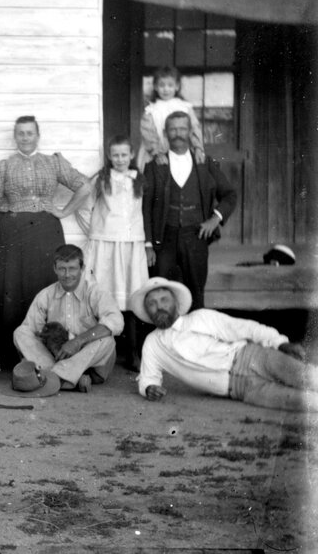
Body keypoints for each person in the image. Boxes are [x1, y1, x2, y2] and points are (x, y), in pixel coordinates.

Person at [0, 116, 87, 370]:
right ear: (15, 137)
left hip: (46, 232)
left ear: (38, 135)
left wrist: (63, 211)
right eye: (21, 133)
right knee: (12, 287)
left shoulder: (53, 163)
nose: (25, 138)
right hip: (13, 233)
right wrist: (8, 209)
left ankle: (49, 351)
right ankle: (10, 356)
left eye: (30, 133)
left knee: (45, 285)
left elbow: (84, 188)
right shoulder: (3, 167)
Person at [130, 278, 316, 411]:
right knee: (303, 402)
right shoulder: (153, 344)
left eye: (164, 300)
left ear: (176, 304)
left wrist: (280, 343)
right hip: (239, 388)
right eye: (152, 303)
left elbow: (244, 328)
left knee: (309, 378)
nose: (159, 306)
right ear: (147, 311)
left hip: (252, 357)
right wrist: (149, 388)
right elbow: (148, 376)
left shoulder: (200, 317)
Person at [57, 136, 149, 370]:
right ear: (109, 156)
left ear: (131, 155)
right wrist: (96, 231)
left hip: (130, 245)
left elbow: (144, 210)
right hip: (106, 245)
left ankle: (132, 354)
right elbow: (85, 206)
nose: (120, 159)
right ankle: (101, 353)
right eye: (115, 155)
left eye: (124, 155)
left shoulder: (139, 178)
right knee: (104, 296)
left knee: (131, 296)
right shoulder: (101, 178)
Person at [143, 111, 237, 312]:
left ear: (190, 131)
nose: (178, 133)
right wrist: (149, 243)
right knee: (162, 291)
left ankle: (195, 339)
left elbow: (230, 195)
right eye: (173, 129)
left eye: (182, 128)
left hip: (195, 236)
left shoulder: (204, 163)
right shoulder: (154, 166)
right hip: (164, 237)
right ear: (165, 133)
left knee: (196, 291)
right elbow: (147, 207)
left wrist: (214, 219)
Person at [12, 245, 123, 392]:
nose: (67, 274)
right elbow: (31, 330)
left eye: (72, 268)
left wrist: (78, 341)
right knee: (21, 332)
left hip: (89, 361)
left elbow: (116, 321)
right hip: (56, 356)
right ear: (54, 268)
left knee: (107, 340)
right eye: (62, 268)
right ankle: (69, 378)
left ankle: (53, 377)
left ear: (82, 268)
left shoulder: (95, 292)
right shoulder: (45, 295)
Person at [138, 66, 206, 170]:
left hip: (182, 151)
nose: (166, 89)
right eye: (162, 85)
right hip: (157, 153)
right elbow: (148, 133)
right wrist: (157, 153)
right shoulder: (151, 110)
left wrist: (197, 148)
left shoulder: (185, 107)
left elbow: (194, 129)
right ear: (155, 87)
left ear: (177, 86)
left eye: (170, 85)